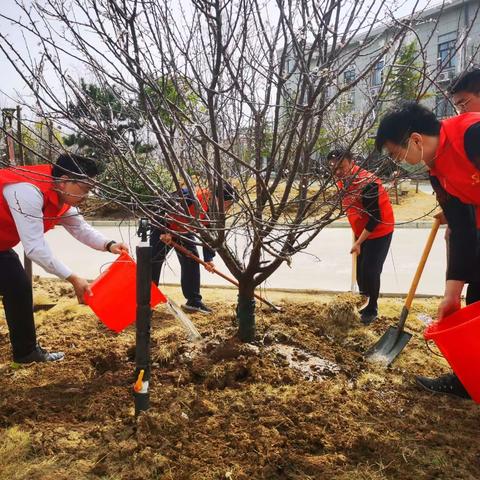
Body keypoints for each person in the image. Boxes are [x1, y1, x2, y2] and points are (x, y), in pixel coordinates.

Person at [376, 101, 480, 399]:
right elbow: (461, 228)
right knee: (474, 303)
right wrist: (450, 295)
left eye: (397, 154)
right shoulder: (436, 172)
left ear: (416, 140)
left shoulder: (472, 135)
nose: (399, 163)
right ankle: (468, 379)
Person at [0, 154, 129, 364]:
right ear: (65, 179)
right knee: (16, 284)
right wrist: (73, 278)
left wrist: (109, 245)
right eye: (85, 189)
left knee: (18, 287)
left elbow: (79, 227)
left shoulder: (61, 196)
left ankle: (26, 353)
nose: (87, 195)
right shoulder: (27, 191)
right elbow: (35, 247)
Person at [327, 149, 394, 325]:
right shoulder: (342, 180)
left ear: (352, 163)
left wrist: (358, 242)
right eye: (333, 168)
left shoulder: (367, 183)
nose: (338, 171)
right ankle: (362, 301)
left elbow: (375, 218)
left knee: (370, 271)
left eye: (341, 166)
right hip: (361, 228)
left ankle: (372, 308)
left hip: (379, 229)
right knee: (359, 271)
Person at [150, 183, 236, 314]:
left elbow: (208, 233)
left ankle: (193, 301)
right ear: (214, 197)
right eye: (226, 203)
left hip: (185, 230)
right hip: (164, 228)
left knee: (191, 261)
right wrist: (163, 229)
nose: (226, 208)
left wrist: (208, 258)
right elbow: (159, 208)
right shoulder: (189, 196)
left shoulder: (213, 210)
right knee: (153, 262)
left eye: (229, 204)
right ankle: (146, 301)